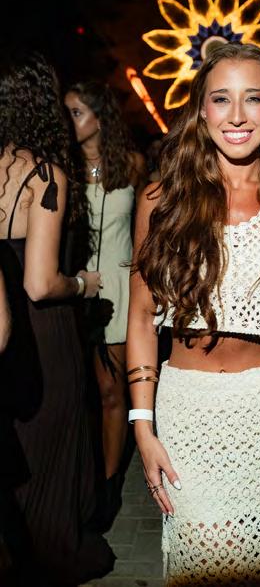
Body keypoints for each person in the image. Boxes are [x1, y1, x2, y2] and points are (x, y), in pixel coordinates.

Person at [127, 42, 260, 585]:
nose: (237, 115)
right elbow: (142, 317)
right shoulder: (162, 199)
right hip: (188, 414)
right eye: (221, 99)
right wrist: (142, 428)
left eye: (253, 98)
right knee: (204, 560)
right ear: (201, 110)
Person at [0, 52, 114, 586]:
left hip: (1, 331)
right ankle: (44, 554)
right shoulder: (43, 174)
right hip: (42, 333)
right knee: (54, 440)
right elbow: (41, 283)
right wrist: (84, 284)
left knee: (15, 444)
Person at [65, 81, 146, 527]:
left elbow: (149, 226)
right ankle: (80, 478)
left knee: (112, 392)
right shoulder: (63, 169)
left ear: (99, 118)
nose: (69, 121)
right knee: (79, 393)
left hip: (119, 285)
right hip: (74, 289)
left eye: (76, 112)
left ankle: (109, 486)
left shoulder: (131, 165)